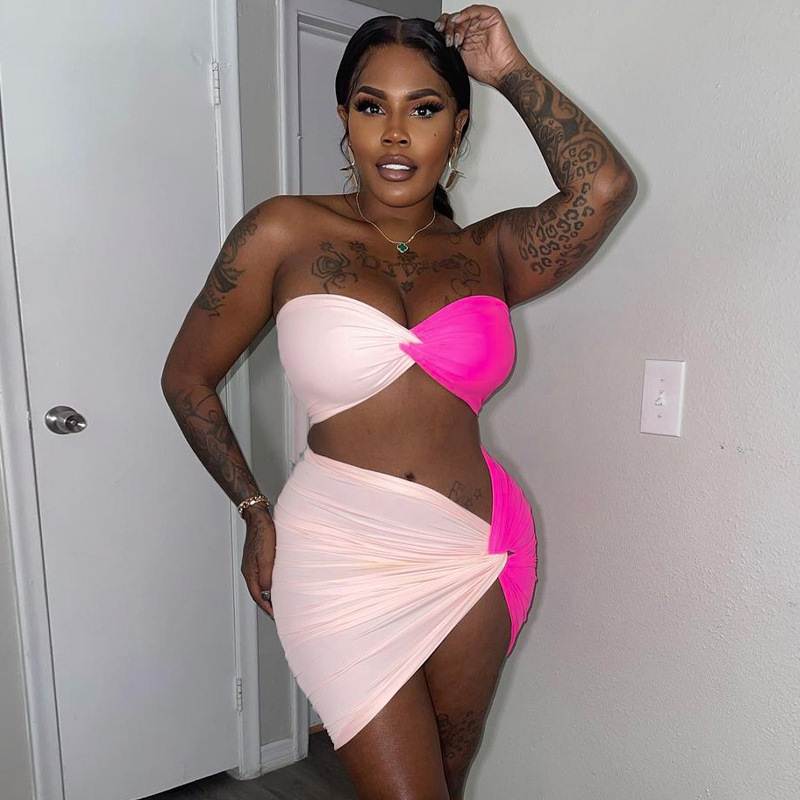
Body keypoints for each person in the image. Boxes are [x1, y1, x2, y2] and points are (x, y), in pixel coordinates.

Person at [161, 6, 637, 798]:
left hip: (475, 555)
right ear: (343, 117)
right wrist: (252, 508)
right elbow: (186, 378)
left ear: (458, 127)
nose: (394, 134)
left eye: (424, 108)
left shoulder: (487, 252)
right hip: (337, 557)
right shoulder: (284, 232)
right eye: (370, 105)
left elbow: (606, 186)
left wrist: (508, 70)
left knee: (445, 782)